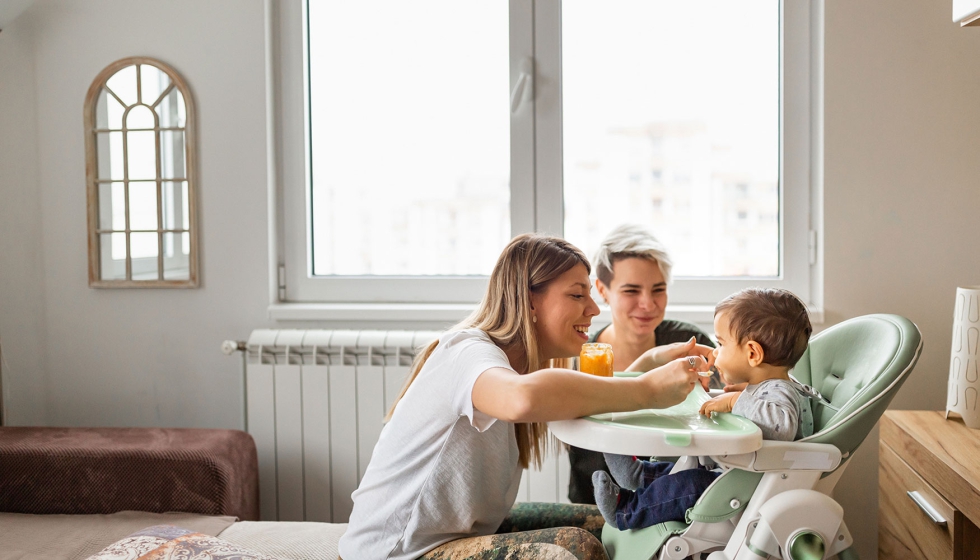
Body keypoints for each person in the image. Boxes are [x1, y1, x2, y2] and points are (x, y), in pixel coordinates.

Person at [337, 233, 713, 560]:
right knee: (575, 549)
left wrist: (646, 364)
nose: (594, 309)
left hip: (460, 536)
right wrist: (646, 389)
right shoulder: (468, 351)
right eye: (576, 294)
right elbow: (521, 399)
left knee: (616, 521)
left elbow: (584, 398)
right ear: (529, 301)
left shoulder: (522, 368)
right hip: (398, 552)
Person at [592, 287, 815, 531]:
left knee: (691, 485)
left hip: (752, 488)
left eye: (721, 343)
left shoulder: (781, 390)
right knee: (686, 470)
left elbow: (782, 426)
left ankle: (627, 511)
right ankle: (638, 475)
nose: (716, 351)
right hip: (735, 475)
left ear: (752, 353)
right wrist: (737, 397)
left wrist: (734, 402)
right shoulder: (765, 388)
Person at [568, 224, 717, 504]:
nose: (647, 304)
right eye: (631, 291)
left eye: (658, 289)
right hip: (600, 507)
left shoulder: (687, 342)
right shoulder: (582, 357)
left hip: (682, 502)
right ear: (602, 289)